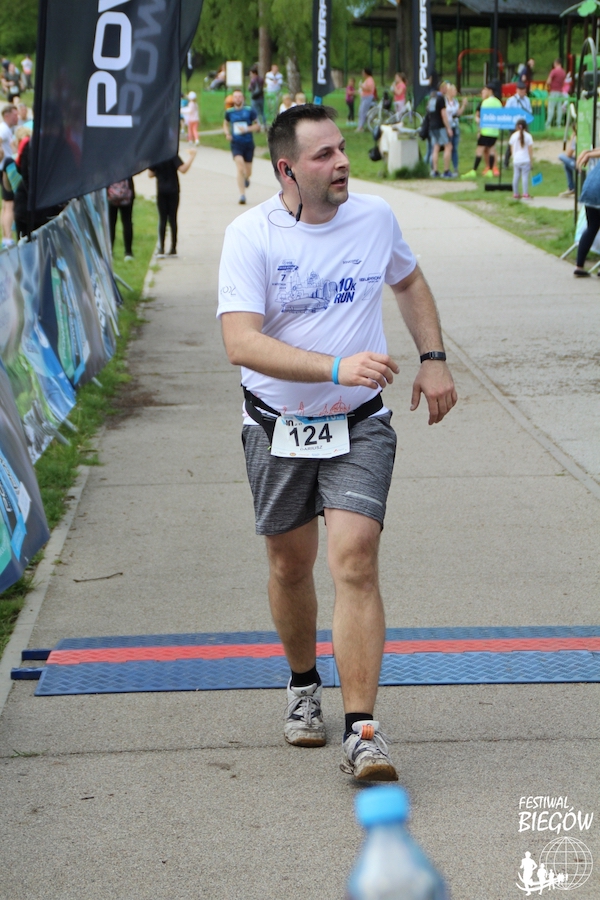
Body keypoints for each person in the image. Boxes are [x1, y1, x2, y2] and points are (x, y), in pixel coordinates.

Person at [217, 104, 457, 782]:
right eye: (324, 154)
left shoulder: (375, 218)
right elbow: (240, 341)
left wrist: (433, 357)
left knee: (354, 559)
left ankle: (362, 731)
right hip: (277, 425)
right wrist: (333, 366)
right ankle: (303, 685)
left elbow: (407, 279)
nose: (343, 161)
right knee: (290, 565)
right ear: (288, 170)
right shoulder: (250, 236)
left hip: (359, 422)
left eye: (342, 148)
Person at [148, 148, 196, 258]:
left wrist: (159, 170)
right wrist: (192, 157)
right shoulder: (172, 155)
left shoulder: (156, 156)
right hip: (173, 190)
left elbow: (150, 174)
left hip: (161, 190)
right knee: (173, 219)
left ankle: (161, 248)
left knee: (162, 219)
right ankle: (173, 248)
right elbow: (183, 169)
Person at [224, 88, 260, 205]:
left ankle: (247, 178)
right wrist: (227, 133)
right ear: (233, 99)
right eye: (236, 97)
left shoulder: (250, 111)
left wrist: (247, 129)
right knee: (240, 168)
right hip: (236, 143)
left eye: (240, 96)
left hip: (248, 143)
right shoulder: (229, 112)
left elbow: (257, 126)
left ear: (243, 98)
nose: (238, 99)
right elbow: (225, 124)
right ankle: (242, 195)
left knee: (248, 171)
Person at [461, 83, 501, 179]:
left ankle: (474, 170)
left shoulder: (485, 102)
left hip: (485, 130)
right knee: (492, 150)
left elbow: (483, 117)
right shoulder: (498, 103)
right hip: (494, 131)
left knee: (479, 150)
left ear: (490, 91)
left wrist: (480, 130)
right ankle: (490, 170)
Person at [572, 145, 600, 276]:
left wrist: (588, 153)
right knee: (593, 226)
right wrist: (589, 153)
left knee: (592, 227)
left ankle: (579, 266)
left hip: (590, 187)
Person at [0, 104, 17, 248]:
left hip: (5, 169)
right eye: (14, 115)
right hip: (6, 170)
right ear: (7, 116)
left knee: (6, 205)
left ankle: (6, 237)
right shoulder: (4, 129)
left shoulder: (7, 129)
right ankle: (7, 239)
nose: (16, 117)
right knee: (10, 204)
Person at [427, 82, 453, 178]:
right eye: (445, 87)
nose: (446, 89)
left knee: (436, 147)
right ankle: (446, 170)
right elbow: (443, 114)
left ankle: (435, 170)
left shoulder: (432, 98)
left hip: (432, 126)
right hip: (440, 126)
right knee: (448, 146)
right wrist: (448, 128)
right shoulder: (441, 98)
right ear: (441, 88)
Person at [107, 178, 135, 260]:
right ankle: (128, 252)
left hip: (111, 196)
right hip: (126, 195)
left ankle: (110, 251)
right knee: (127, 222)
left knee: (111, 224)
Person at [445, 83, 467, 176]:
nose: (456, 92)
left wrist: (463, 105)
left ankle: (455, 168)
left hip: (455, 125)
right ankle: (446, 168)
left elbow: (458, 113)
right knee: (448, 147)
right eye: (454, 90)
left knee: (454, 147)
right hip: (448, 125)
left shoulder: (455, 101)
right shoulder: (444, 101)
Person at [508, 118, 533, 199]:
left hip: (516, 159)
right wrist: (531, 161)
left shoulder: (513, 136)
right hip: (525, 159)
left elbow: (511, 148)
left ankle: (515, 193)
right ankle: (525, 193)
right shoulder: (528, 136)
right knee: (524, 177)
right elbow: (530, 150)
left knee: (516, 176)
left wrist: (513, 157)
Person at [546, 58, 566, 128]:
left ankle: (548, 123)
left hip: (553, 91)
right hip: (560, 91)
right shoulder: (563, 72)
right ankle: (558, 124)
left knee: (551, 108)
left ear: (556, 63)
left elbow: (548, 81)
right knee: (559, 108)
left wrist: (548, 86)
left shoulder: (554, 71)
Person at [558, 124, 576, 197]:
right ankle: (571, 187)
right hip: (580, 158)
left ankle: (571, 187)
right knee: (566, 165)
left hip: (578, 162)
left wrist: (571, 139)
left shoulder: (576, 138)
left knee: (561, 156)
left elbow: (568, 153)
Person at [356, 68, 376, 132]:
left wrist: (361, 86)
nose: (362, 74)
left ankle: (361, 127)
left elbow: (369, 89)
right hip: (364, 97)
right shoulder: (367, 80)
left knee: (363, 111)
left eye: (363, 72)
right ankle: (360, 125)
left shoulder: (370, 80)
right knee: (361, 111)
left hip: (367, 97)